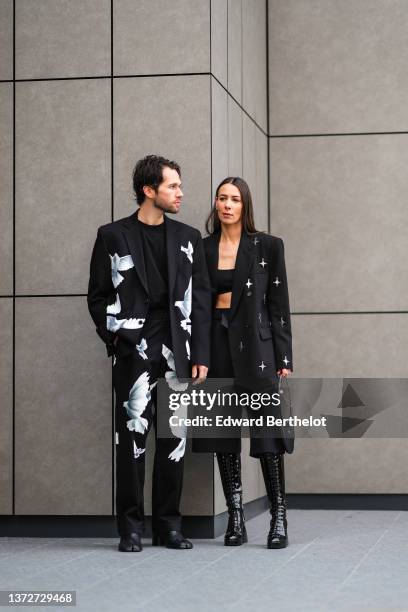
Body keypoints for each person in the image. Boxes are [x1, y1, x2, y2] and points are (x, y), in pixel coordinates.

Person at [87, 155, 211, 552]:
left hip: (178, 347)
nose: (180, 193)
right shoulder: (112, 235)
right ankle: (130, 528)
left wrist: (200, 353)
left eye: (178, 185)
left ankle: (169, 526)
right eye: (173, 186)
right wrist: (117, 337)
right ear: (149, 190)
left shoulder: (189, 238)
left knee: (173, 437)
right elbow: (97, 295)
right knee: (131, 439)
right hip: (134, 349)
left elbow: (202, 300)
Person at [192, 177, 294, 549]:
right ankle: (235, 517)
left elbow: (278, 304)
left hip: (258, 349)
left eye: (234, 199)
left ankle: (278, 516)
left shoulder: (267, 246)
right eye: (221, 198)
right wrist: (198, 356)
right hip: (217, 346)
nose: (227, 205)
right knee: (222, 432)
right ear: (215, 204)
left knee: (267, 432)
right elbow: (198, 307)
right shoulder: (202, 249)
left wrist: (284, 356)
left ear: (244, 205)